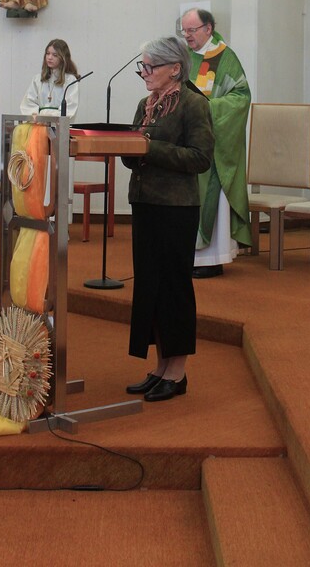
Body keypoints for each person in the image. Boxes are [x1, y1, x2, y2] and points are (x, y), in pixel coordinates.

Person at [122, 36, 214, 402]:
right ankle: (160, 368)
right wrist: (128, 149)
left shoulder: (193, 104)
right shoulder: (145, 105)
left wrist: (149, 148)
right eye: (142, 67)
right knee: (151, 286)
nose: (144, 73)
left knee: (174, 288)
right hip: (145, 203)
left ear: (175, 68)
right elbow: (133, 152)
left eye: (150, 67)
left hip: (176, 208)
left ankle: (177, 373)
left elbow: (200, 158)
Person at [180, 8, 252, 277]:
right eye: (184, 31)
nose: (187, 36)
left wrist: (209, 107)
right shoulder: (185, 58)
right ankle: (189, 256)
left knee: (211, 195)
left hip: (215, 144)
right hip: (188, 141)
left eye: (192, 30)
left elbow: (241, 97)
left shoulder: (225, 57)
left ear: (208, 29)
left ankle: (212, 259)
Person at [20, 39, 80, 119]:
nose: (50, 57)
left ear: (63, 58)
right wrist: (36, 116)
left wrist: (50, 116)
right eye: (48, 54)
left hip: (59, 124)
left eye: (55, 55)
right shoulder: (38, 79)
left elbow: (70, 107)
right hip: (39, 123)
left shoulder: (70, 80)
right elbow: (28, 102)